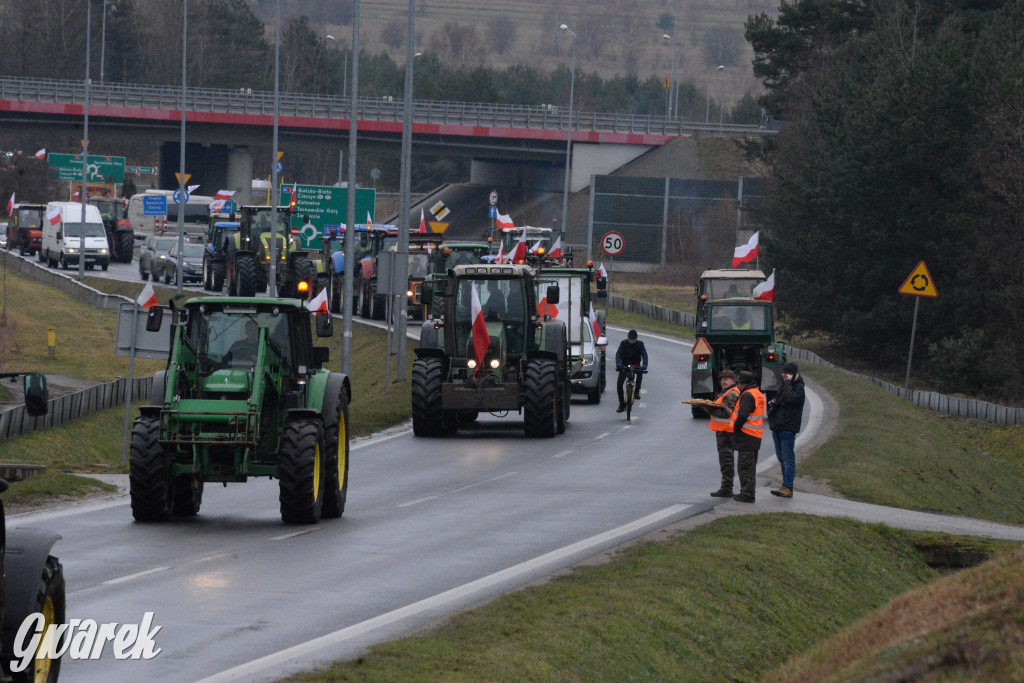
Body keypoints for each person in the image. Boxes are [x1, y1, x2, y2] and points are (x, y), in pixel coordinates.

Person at [768, 362, 806, 498]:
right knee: (781, 458)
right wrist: (773, 402)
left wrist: (788, 383)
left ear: (792, 374)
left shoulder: (799, 387)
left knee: (788, 458)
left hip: (788, 428)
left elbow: (791, 399)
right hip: (778, 426)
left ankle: (788, 487)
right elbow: (779, 397)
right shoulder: (785, 385)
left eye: (786, 373)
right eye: (783, 373)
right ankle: (784, 485)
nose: (783, 376)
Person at [730, 370, 766, 503]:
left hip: (746, 436)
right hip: (755, 436)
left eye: (739, 383)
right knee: (750, 467)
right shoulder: (758, 394)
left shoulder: (747, 395)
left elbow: (743, 415)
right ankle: (748, 492)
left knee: (745, 467)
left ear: (743, 383)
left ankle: (747, 494)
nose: (737, 385)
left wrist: (735, 428)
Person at [708, 370, 741, 498]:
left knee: (726, 460)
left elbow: (727, 413)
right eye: (722, 379)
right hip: (724, 430)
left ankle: (727, 488)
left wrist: (708, 408)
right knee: (725, 459)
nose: (723, 381)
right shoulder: (726, 393)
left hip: (727, 431)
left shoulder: (731, 394)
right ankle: (726, 487)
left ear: (733, 380)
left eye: (726, 379)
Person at [614, 329, 648, 413]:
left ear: (636, 338)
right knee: (619, 384)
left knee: (640, 373)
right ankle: (621, 404)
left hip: (636, 364)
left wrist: (644, 365)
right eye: (630, 339)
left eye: (634, 339)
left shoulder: (640, 344)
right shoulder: (623, 343)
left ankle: (636, 392)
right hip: (625, 365)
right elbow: (618, 354)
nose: (632, 341)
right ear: (628, 338)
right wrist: (618, 363)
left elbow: (644, 355)